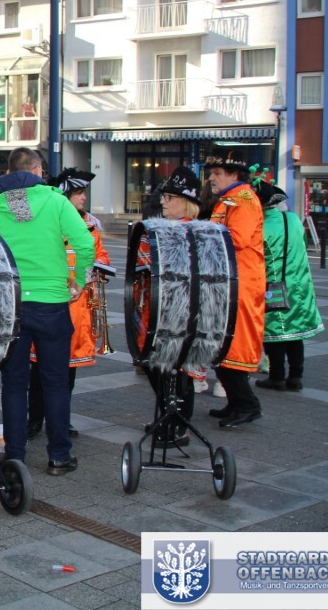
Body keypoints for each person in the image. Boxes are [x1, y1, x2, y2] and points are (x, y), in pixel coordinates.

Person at [0, 148, 94, 475]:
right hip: (51, 302)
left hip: (10, 304)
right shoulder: (55, 202)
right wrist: (79, 280)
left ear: (8, 171)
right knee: (55, 381)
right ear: (38, 171)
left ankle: (15, 455)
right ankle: (59, 456)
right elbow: (85, 244)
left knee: (14, 383)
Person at [27, 168, 114, 440]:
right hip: (49, 302)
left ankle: (60, 420)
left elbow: (102, 255)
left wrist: (97, 267)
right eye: (78, 193)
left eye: (84, 193)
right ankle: (34, 419)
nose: (83, 198)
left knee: (67, 372)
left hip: (78, 309)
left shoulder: (90, 225)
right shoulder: (48, 220)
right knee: (39, 369)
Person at [134, 166, 203, 446]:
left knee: (177, 370)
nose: (163, 202)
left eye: (170, 198)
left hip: (180, 311)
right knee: (157, 367)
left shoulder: (196, 230)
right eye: (164, 197)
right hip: (157, 308)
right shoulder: (163, 228)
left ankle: (179, 426)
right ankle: (168, 415)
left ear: (186, 202)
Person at [204, 155, 264, 427]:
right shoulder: (229, 199)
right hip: (228, 281)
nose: (211, 178)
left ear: (234, 174)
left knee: (235, 343)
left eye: (217, 173)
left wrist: (203, 234)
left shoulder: (244, 200)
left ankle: (247, 405)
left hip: (241, 283)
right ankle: (235, 401)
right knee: (222, 342)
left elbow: (236, 239)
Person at [254, 181, 323, 391]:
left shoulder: (258, 226)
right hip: (300, 285)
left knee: (274, 332)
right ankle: (295, 377)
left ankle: (276, 377)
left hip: (273, 286)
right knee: (295, 332)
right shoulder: (292, 219)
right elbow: (303, 243)